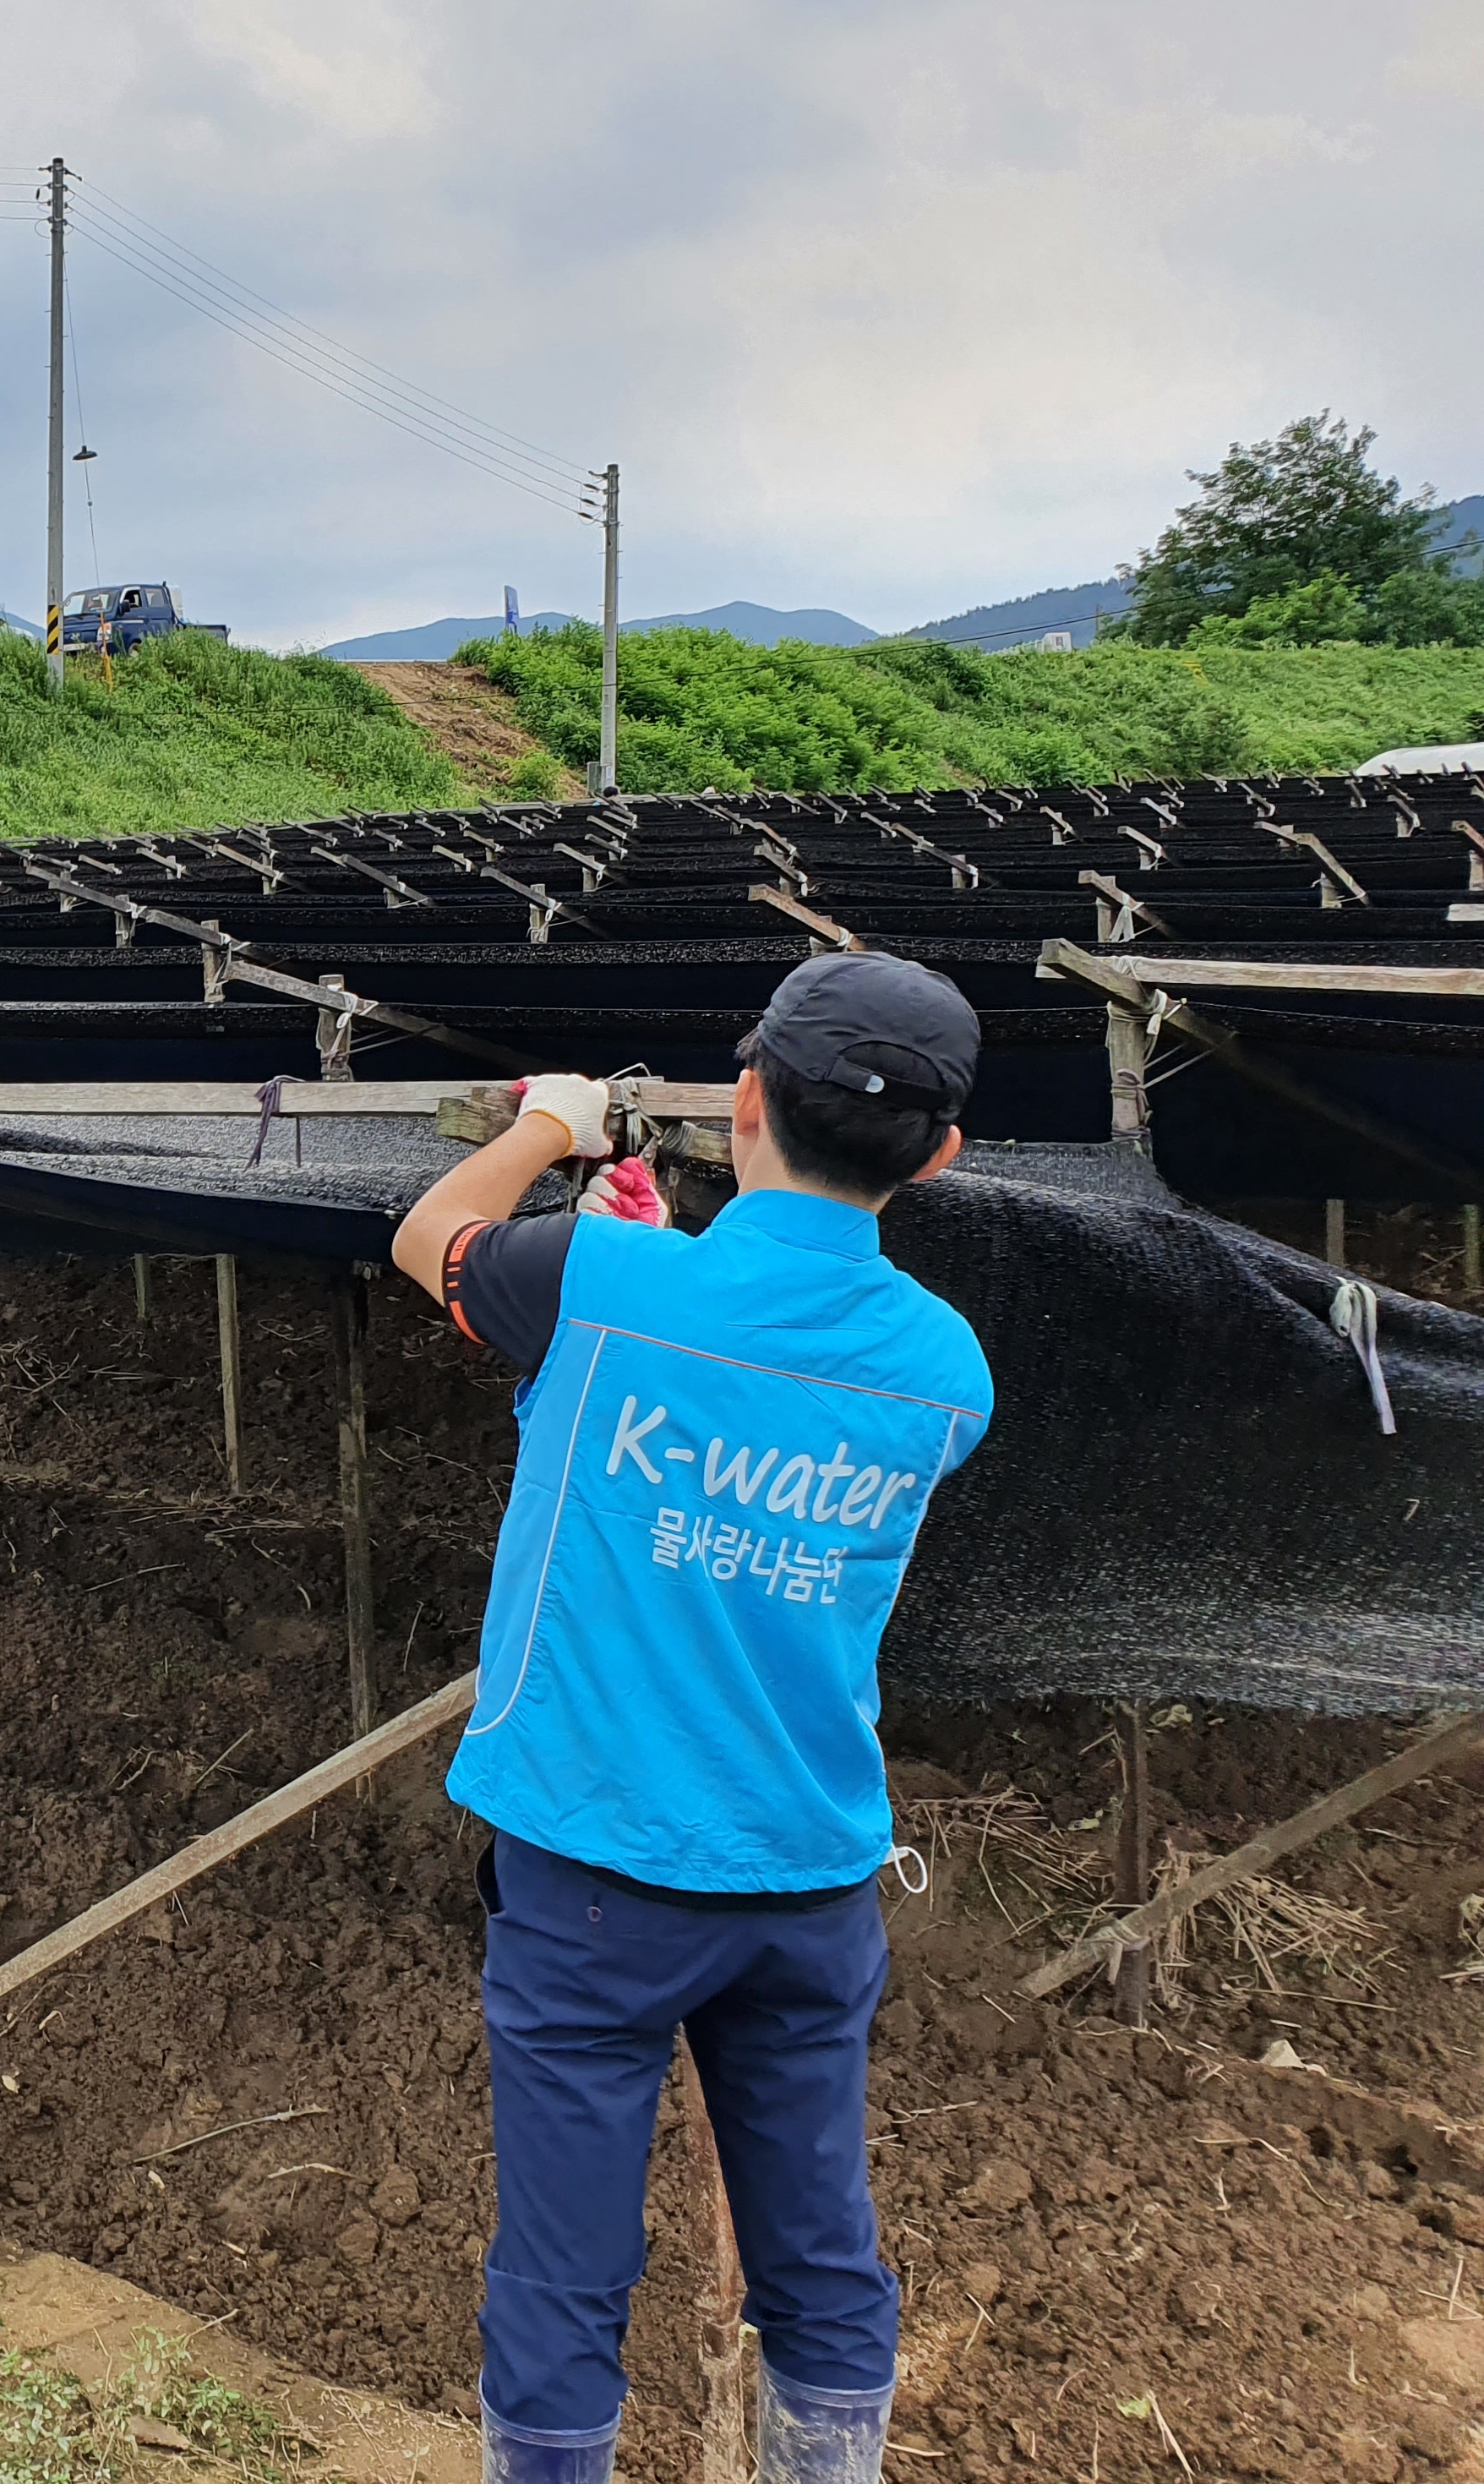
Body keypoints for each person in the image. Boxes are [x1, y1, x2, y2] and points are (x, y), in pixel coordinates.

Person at [387, 952, 994, 2483]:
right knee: (821, 2252)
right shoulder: (945, 1369)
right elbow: (758, 1384)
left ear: (741, 1103)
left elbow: (431, 1241)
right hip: (805, 1874)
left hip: (600, 1867)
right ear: (939, 1156)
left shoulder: (605, 1287)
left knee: (564, 2265)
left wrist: (549, 1126)